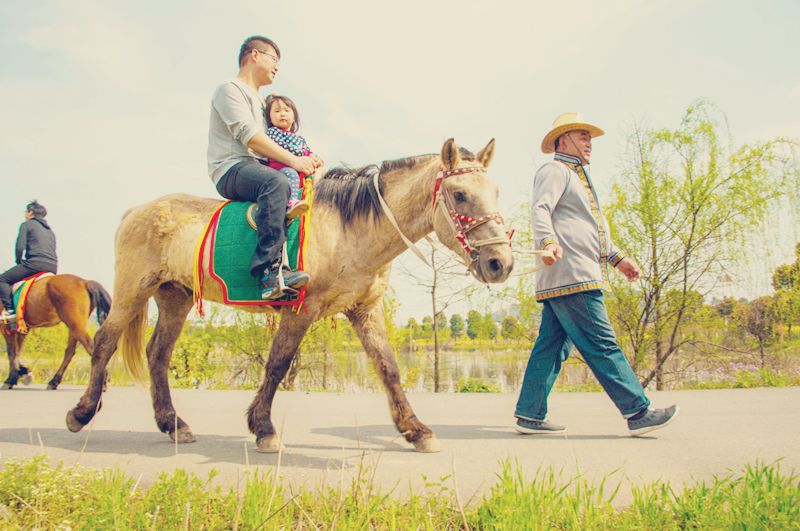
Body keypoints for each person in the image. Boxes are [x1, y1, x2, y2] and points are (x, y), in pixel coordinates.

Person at [514, 112, 679, 437]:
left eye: (590, 137)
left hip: (571, 274)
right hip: (571, 274)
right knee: (603, 343)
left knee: (552, 345)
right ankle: (638, 411)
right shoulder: (555, 169)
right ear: (563, 140)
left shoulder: (578, 177)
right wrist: (547, 242)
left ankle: (529, 413)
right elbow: (540, 208)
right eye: (583, 135)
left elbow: (588, 230)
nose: (589, 142)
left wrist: (618, 260)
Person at [207, 36, 319, 300]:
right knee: (277, 183)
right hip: (232, 168)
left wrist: (307, 159)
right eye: (274, 59)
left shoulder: (262, 103)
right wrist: (293, 161)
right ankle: (269, 273)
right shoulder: (230, 89)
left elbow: (278, 140)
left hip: (258, 167)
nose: (277, 67)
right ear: (255, 55)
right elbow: (251, 137)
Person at [264, 94, 322, 219]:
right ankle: (291, 202)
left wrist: (314, 159)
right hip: (281, 169)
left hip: (299, 169)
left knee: (320, 172)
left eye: (286, 110)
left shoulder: (299, 138)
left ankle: (318, 198)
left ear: (294, 116)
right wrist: (303, 157)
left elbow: (307, 151)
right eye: (277, 111)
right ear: (269, 117)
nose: (282, 114)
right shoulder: (273, 132)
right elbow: (285, 147)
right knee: (290, 173)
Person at [0, 200, 58, 324]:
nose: (25, 214)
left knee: (2, 279)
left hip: (35, 264)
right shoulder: (50, 230)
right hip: (52, 267)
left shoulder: (27, 224)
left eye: (26, 212)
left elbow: (20, 246)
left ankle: (10, 311)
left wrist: (18, 260)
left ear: (31, 213)